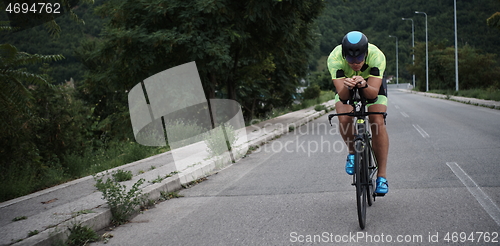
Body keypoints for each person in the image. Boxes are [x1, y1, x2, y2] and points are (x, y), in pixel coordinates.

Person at [327, 31, 389, 195]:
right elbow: (343, 96)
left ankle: (381, 176)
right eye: (350, 59)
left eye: (359, 58)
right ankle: (352, 152)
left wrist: (363, 84)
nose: (355, 63)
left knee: (377, 121)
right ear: (344, 55)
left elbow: (373, 95)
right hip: (346, 86)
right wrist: (347, 87)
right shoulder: (334, 58)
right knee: (344, 118)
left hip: (371, 86)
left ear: (366, 53)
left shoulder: (377, 56)